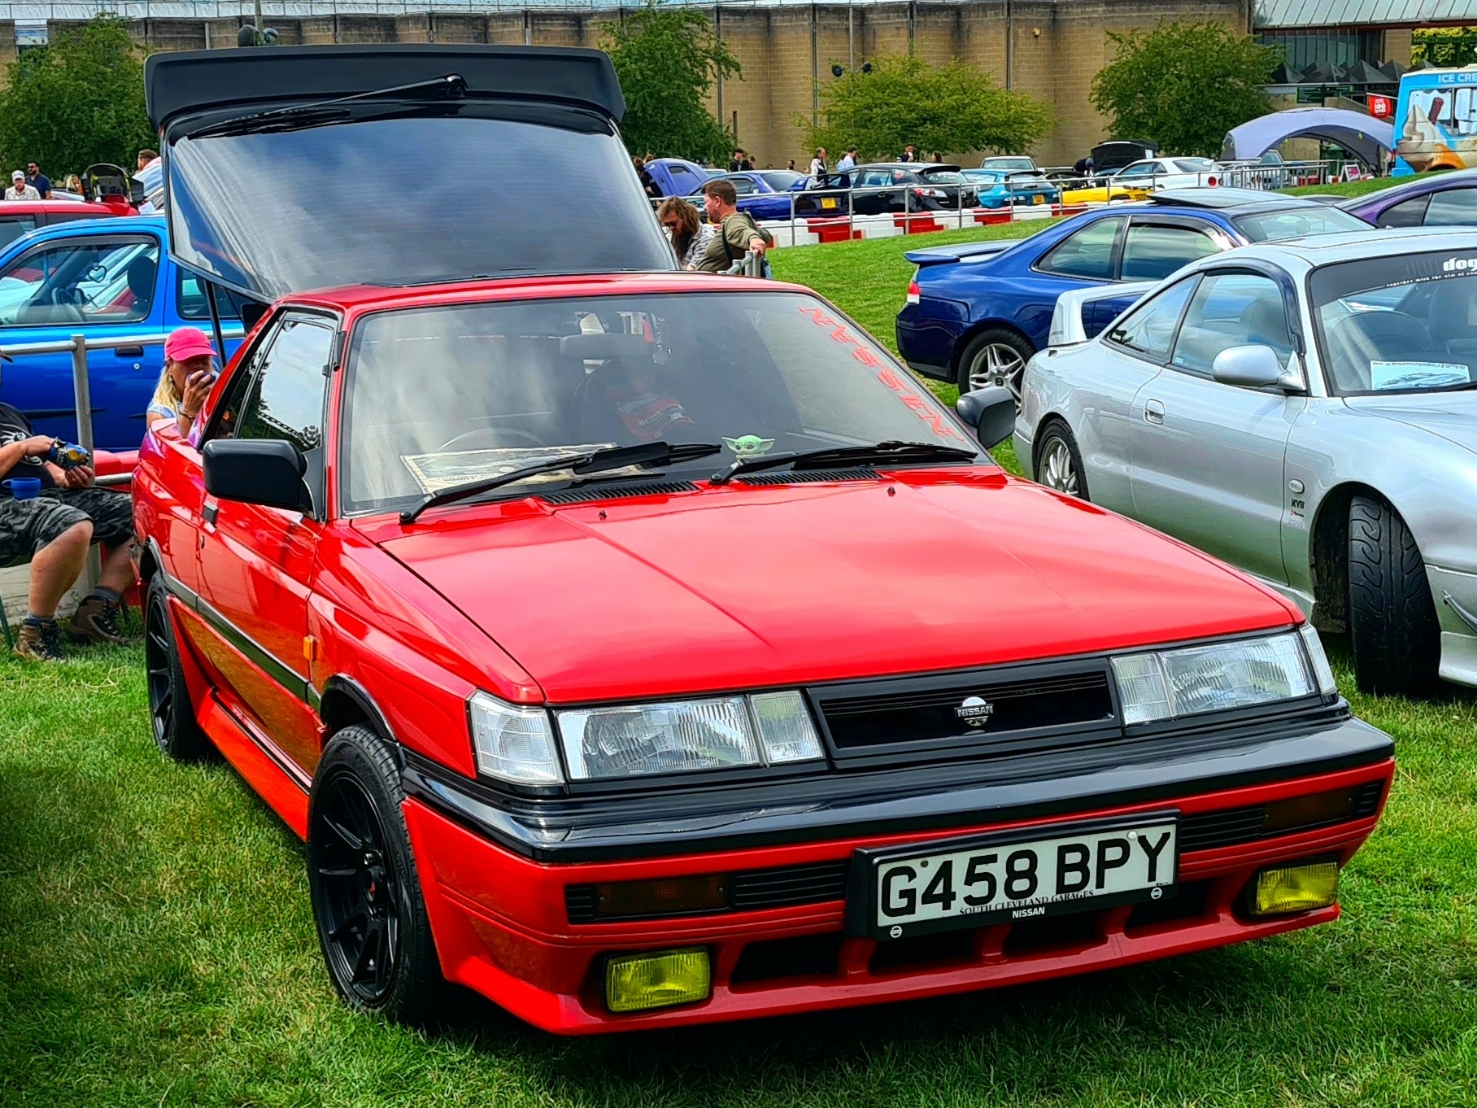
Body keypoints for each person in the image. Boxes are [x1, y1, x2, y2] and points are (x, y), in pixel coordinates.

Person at [0, 393, 136, 659]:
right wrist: (22, 447)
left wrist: (64, 477)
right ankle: (35, 634)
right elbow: (23, 451)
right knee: (71, 524)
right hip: (6, 506)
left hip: (48, 498)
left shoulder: (7, 411)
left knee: (142, 511)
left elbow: (37, 461)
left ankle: (95, 612)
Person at [147, 328, 218, 442]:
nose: (197, 367)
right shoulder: (161, 413)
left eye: (203, 360)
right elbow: (179, 453)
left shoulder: (224, 387)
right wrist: (189, 412)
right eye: (188, 361)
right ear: (169, 366)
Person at [695, 179, 774, 274]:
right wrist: (753, 226)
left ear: (717, 201)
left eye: (706, 202)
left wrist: (753, 239)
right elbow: (766, 236)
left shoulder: (733, 220)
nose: (704, 207)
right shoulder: (737, 219)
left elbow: (740, 231)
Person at [657, 196, 716, 270]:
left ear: (686, 218)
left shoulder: (706, 237)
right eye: (667, 225)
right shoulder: (669, 233)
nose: (671, 228)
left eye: (673, 223)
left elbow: (691, 270)